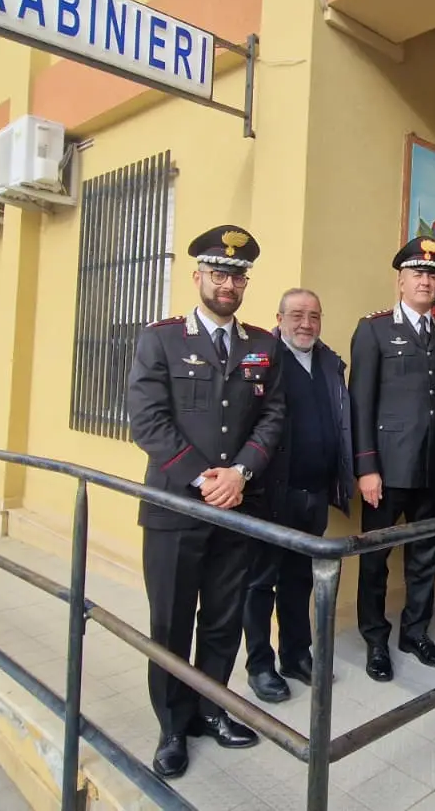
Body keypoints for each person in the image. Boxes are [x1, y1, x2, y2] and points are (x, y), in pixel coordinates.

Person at [127, 224, 285, 778]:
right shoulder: (162, 339)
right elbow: (148, 421)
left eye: (237, 277)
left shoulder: (263, 345)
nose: (228, 284)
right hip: (175, 508)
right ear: (198, 276)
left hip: (236, 507)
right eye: (219, 273)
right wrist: (204, 479)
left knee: (222, 619)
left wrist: (239, 473)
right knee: (171, 623)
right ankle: (173, 726)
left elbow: (273, 416)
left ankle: (212, 709)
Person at [349, 236, 435, 681]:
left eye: (432, 275)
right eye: (417, 273)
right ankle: (375, 639)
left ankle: (415, 632)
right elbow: (360, 403)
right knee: (375, 560)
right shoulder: (374, 330)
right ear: (400, 281)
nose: (425, 281)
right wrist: (366, 467)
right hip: (386, 469)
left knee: (425, 557)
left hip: (431, 468)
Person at [240, 288, 354, 704]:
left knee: (299, 578)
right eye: (297, 316)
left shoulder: (328, 361)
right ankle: (260, 664)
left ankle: (295, 655)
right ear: (280, 318)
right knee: (260, 582)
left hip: (314, 493)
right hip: (271, 493)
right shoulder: (263, 359)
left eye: (314, 316)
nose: (306, 324)